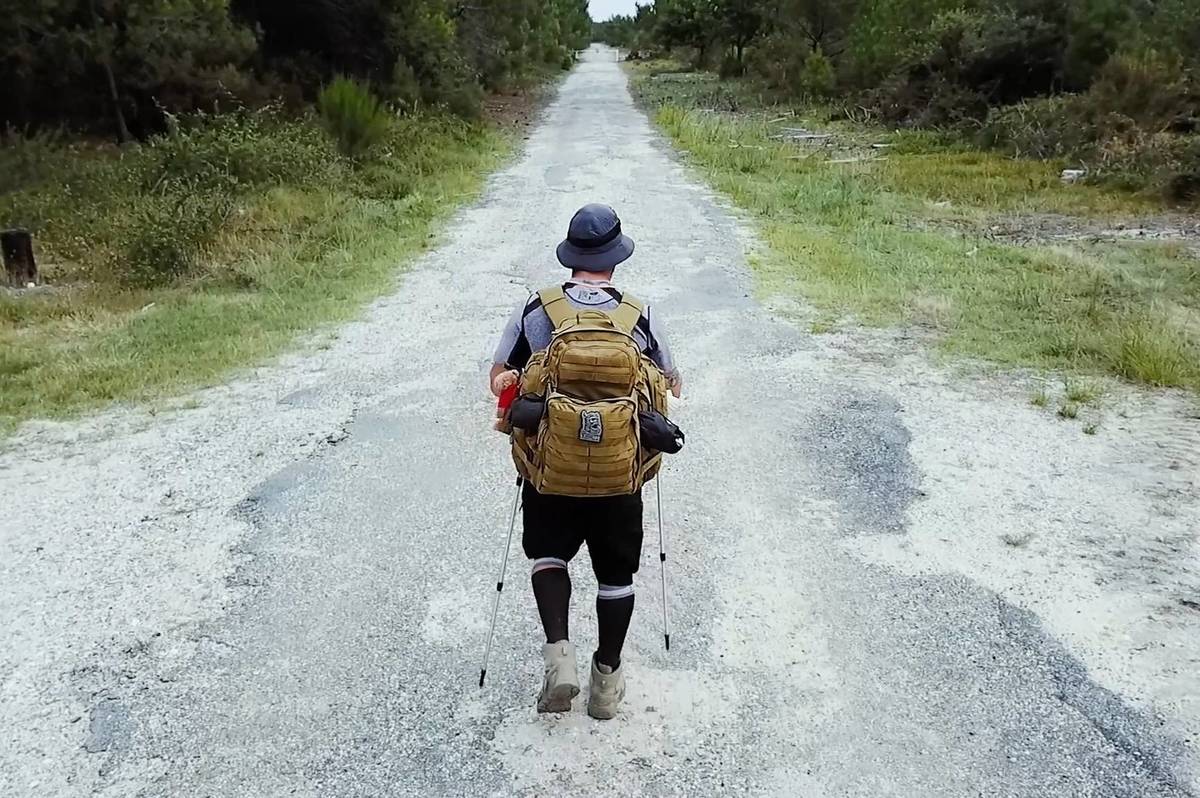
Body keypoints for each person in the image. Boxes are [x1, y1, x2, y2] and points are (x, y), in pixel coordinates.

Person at [490, 203, 681, 719]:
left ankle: (560, 659)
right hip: (620, 475)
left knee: (549, 556)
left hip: (550, 471)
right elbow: (671, 383)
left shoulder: (535, 309)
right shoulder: (640, 313)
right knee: (616, 575)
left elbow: (500, 379)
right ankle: (606, 681)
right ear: (616, 259)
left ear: (571, 256)